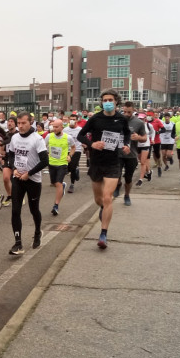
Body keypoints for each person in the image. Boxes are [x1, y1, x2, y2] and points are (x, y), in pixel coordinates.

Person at [77, 89, 131, 249]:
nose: (107, 102)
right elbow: (81, 135)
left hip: (113, 163)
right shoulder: (95, 118)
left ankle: (103, 234)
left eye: (110, 99)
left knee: (108, 198)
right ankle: (103, 208)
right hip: (96, 162)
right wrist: (92, 144)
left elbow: (127, 134)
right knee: (99, 200)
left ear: (116, 102)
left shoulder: (121, 119)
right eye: (104, 100)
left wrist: (127, 145)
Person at [6, 111, 49, 255]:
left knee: (33, 209)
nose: (20, 126)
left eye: (23, 123)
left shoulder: (37, 139)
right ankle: (18, 243)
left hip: (33, 180)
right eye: (18, 123)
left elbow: (45, 161)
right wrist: (14, 169)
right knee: (15, 210)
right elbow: (11, 155)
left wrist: (29, 174)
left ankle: (37, 232)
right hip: (18, 178)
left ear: (31, 122)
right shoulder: (15, 138)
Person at [113, 102, 147, 206]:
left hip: (131, 155)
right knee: (116, 175)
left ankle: (127, 195)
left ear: (133, 111)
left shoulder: (139, 123)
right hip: (117, 154)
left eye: (129, 112)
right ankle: (118, 185)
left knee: (128, 178)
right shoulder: (116, 121)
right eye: (125, 111)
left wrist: (139, 138)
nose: (126, 114)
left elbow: (144, 138)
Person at [46, 119, 76, 216]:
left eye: (56, 127)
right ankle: (62, 185)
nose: (54, 129)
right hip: (51, 163)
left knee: (58, 183)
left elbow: (73, 147)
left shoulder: (68, 137)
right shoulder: (48, 136)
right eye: (53, 126)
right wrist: (46, 154)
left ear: (62, 127)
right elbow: (43, 146)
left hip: (62, 164)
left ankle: (56, 205)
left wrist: (70, 156)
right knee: (55, 183)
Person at [0, 115, 18, 207]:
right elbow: (1, 146)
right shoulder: (5, 134)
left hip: (17, 158)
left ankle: (19, 196)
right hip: (7, 157)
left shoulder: (18, 134)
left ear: (15, 123)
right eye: (8, 122)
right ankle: (10, 196)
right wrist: (1, 154)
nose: (9, 123)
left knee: (16, 180)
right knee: (6, 178)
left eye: (11, 122)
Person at [64, 114, 84, 193]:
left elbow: (83, 137)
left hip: (77, 150)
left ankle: (72, 184)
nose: (72, 120)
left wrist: (85, 144)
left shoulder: (80, 129)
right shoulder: (65, 130)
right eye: (71, 119)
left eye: (74, 119)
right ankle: (76, 169)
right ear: (68, 120)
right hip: (67, 150)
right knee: (68, 168)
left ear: (76, 120)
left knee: (72, 167)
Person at [134, 113, 154, 187]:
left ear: (145, 119)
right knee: (142, 161)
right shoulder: (135, 126)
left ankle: (140, 179)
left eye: (142, 119)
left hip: (146, 145)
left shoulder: (148, 125)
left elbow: (153, 132)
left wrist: (152, 139)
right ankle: (148, 172)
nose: (140, 120)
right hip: (137, 145)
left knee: (142, 162)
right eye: (139, 119)